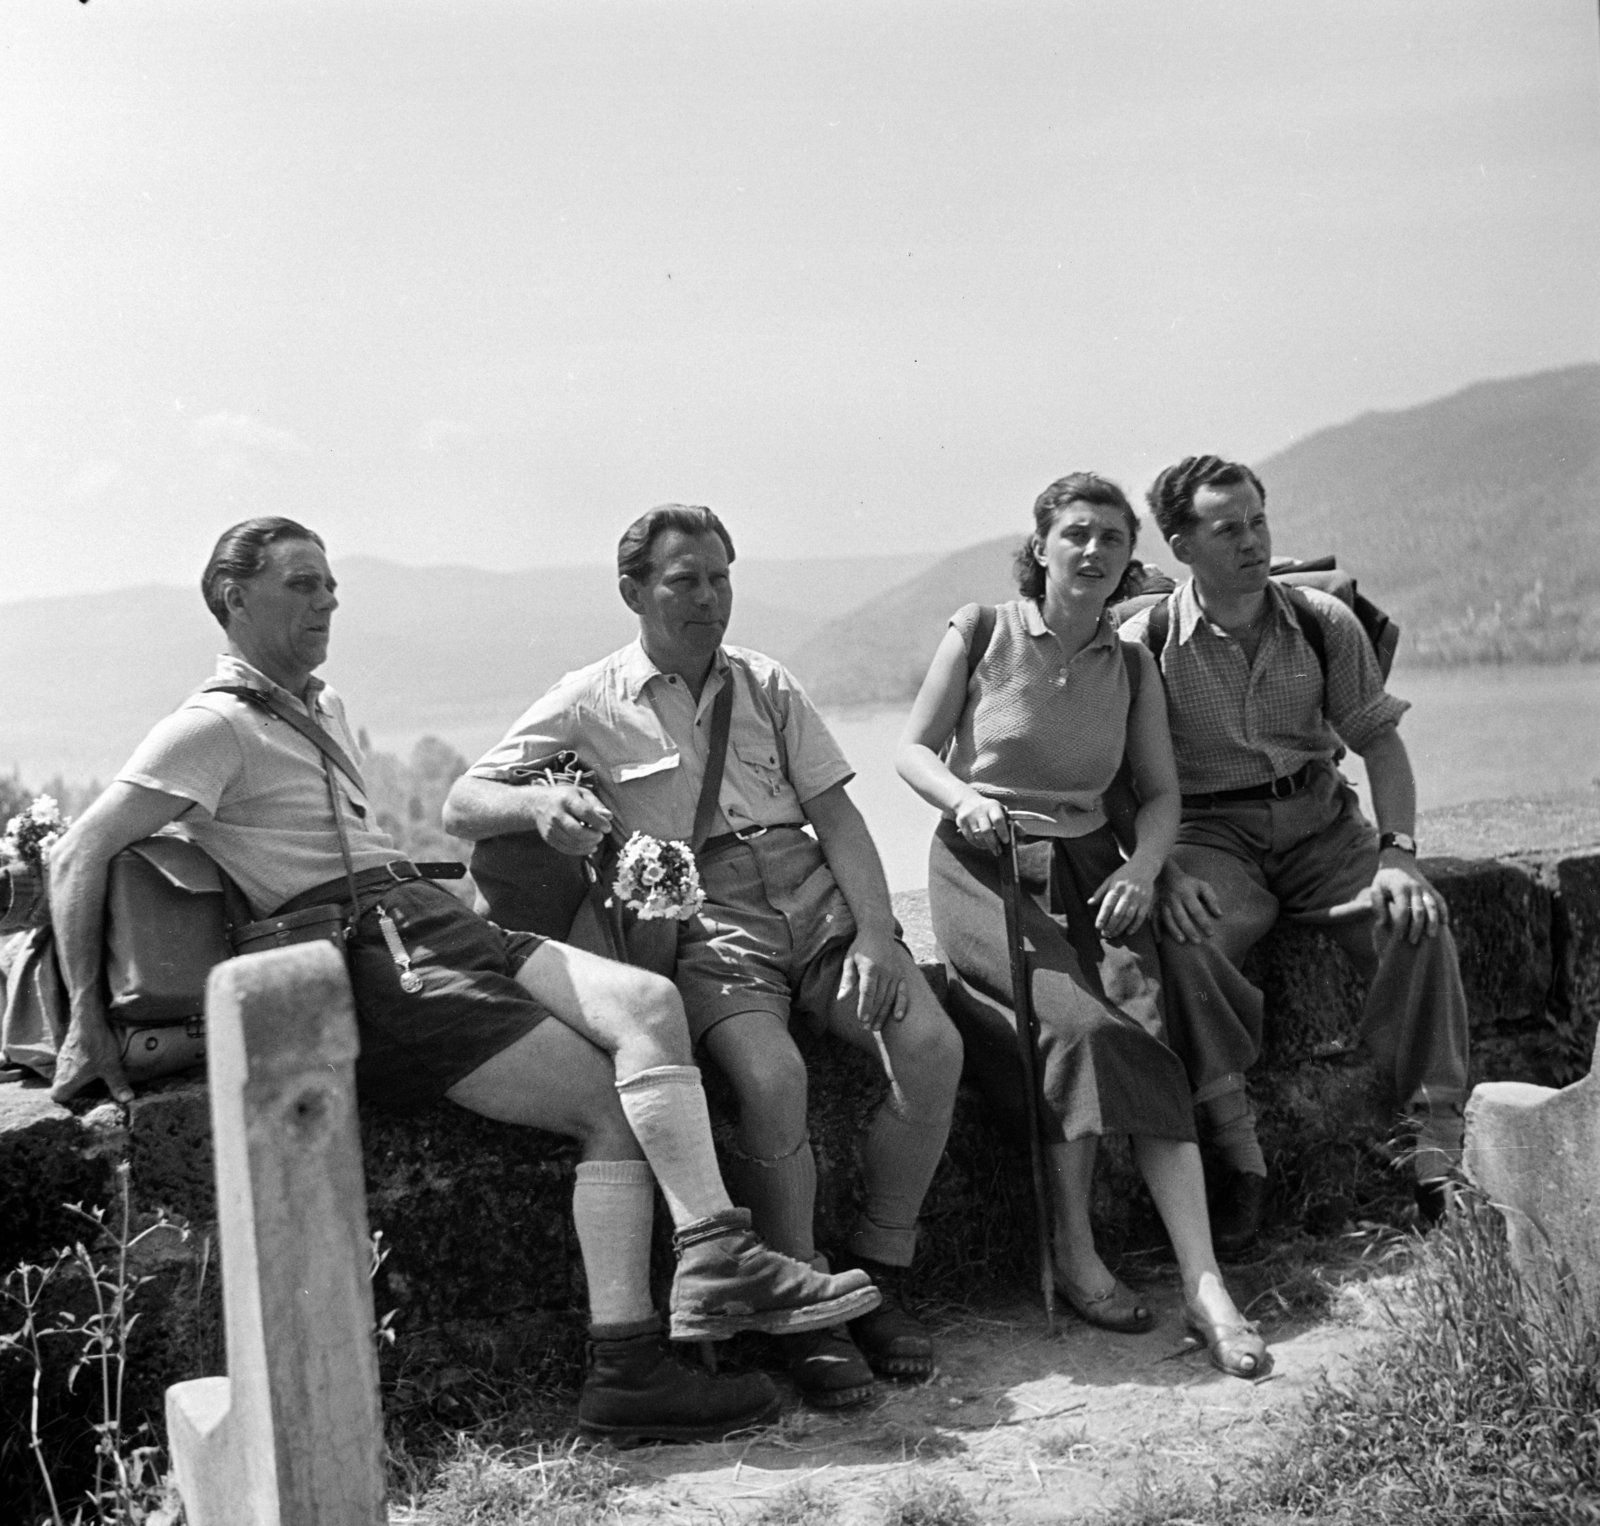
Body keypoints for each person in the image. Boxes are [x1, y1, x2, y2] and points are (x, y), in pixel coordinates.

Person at [46, 516, 881, 1444]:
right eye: (300, 585)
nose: (326, 601)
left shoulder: (316, 706)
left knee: (647, 1004)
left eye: (329, 584)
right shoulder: (210, 726)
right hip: (380, 961)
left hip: (435, 919)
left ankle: (715, 1254)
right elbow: (82, 849)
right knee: (607, 1100)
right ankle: (629, 1367)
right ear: (234, 600)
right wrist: (86, 1018)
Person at [444, 504, 965, 1409]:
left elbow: (837, 818)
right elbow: (461, 801)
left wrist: (879, 937)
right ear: (634, 592)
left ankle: (884, 1266)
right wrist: (536, 810)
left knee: (931, 1048)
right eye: (685, 580)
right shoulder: (588, 698)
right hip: (710, 927)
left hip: (816, 899)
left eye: (721, 577)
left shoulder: (766, 684)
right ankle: (807, 1302)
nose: (710, 598)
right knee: (770, 1078)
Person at [895, 472, 1268, 1379]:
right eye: (1076, 534)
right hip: (987, 870)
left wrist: (1143, 870)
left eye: (1110, 537)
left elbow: (1160, 793)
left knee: (1146, 1029)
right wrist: (963, 800)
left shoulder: (1131, 663)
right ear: (1043, 544)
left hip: (1096, 868)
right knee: (1077, 1028)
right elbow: (911, 749)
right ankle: (1073, 1244)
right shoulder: (981, 630)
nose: (1094, 551)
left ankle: (1206, 1283)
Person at [1124, 455, 1470, 1247]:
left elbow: (1379, 745)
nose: (1251, 541)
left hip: (1319, 822)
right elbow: (1120, 776)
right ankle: (1240, 1157)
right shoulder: (1144, 643)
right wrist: (1161, 868)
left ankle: (1438, 1151)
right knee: (1187, 936)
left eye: (1258, 521)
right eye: (1227, 529)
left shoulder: (1321, 620)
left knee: (1413, 918)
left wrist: (1400, 855)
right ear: (1182, 545)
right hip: (1207, 833)